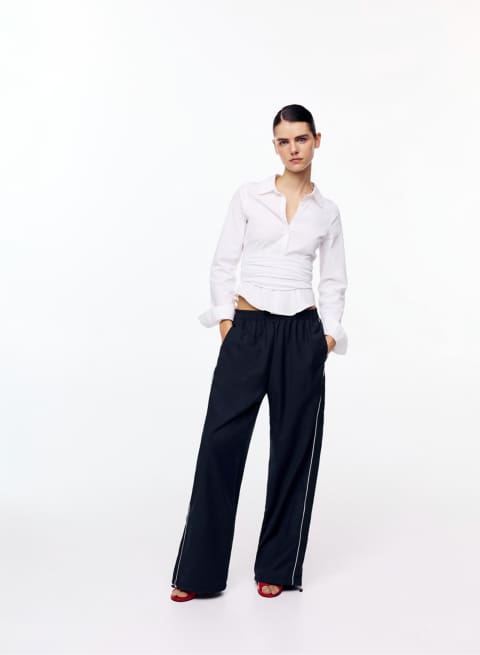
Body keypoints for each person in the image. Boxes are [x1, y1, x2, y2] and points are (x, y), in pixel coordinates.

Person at [170, 104, 348, 602]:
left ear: (316, 140)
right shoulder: (249, 196)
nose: (293, 149)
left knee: (294, 451)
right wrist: (227, 323)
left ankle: (278, 567)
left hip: (301, 336)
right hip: (247, 330)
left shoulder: (327, 212)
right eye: (284, 141)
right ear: (275, 146)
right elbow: (223, 262)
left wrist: (327, 337)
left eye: (301, 139)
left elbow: (334, 280)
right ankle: (198, 574)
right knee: (220, 445)